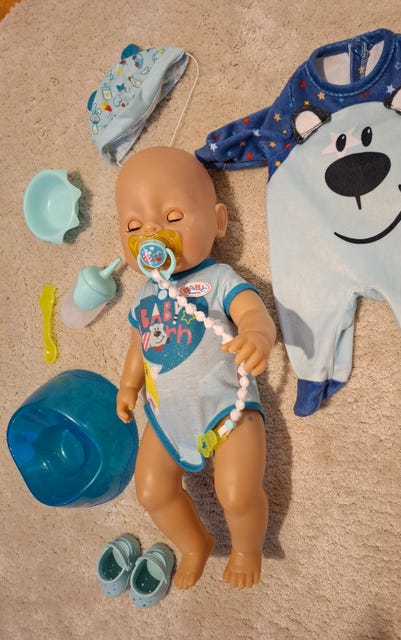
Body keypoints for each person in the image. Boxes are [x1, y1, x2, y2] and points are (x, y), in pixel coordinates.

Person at [115, 146, 276, 589]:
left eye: (172, 217)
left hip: (228, 408)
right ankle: (194, 543)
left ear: (218, 222)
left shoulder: (218, 278)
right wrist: (128, 385)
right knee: (151, 491)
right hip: (166, 418)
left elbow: (253, 312)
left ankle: (246, 548)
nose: (152, 232)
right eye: (134, 227)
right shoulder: (143, 296)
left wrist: (257, 335)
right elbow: (139, 344)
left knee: (237, 493)